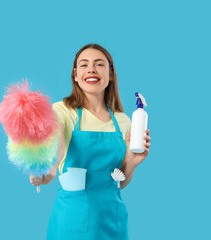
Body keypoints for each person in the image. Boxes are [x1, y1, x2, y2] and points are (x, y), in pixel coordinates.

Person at [30, 43, 151, 240]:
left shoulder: (124, 121)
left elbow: (119, 182)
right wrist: (48, 172)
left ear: (111, 74)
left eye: (99, 64)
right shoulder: (62, 111)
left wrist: (131, 161)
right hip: (72, 222)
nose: (91, 69)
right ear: (75, 75)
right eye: (84, 65)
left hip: (113, 221)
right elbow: (57, 148)